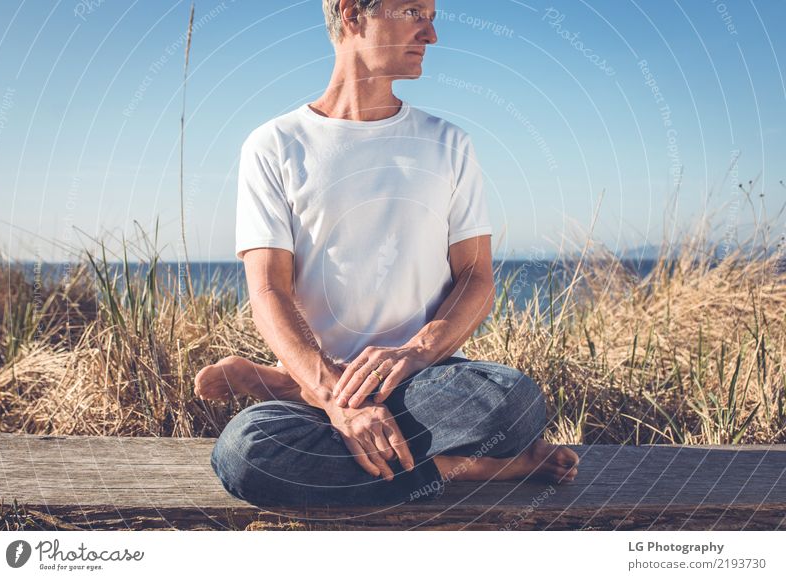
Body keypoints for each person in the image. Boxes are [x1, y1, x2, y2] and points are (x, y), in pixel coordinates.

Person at [196, 0, 579, 507]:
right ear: (353, 14)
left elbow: (475, 278)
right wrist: (336, 398)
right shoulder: (274, 144)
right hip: (325, 383)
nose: (431, 34)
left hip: (424, 387)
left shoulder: (448, 143)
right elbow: (268, 287)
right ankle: (472, 468)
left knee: (514, 403)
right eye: (413, 12)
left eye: (432, 16)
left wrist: (415, 351)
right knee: (245, 455)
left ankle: (289, 388)